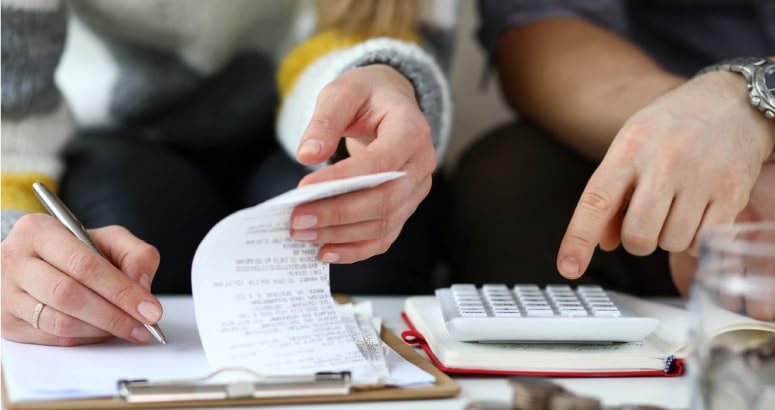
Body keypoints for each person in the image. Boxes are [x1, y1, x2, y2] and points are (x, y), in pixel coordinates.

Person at [1, 0, 457, 346]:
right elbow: (12, 101)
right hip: (118, 133)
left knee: (353, 245)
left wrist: (388, 83)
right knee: (133, 224)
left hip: (313, 120)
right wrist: (9, 241)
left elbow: (370, 35)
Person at [449, 1, 775, 300]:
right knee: (515, 177)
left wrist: (751, 125)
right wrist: (702, 136)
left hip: (727, 140)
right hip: (641, 101)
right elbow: (549, 31)